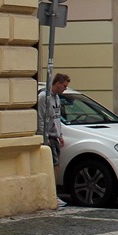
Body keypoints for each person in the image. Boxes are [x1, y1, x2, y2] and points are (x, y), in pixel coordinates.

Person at [37, 73, 70, 209]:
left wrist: (60, 134)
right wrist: (44, 136)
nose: (65, 89)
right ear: (57, 84)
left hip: (54, 136)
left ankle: (54, 193)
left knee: (56, 165)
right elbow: (41, 118)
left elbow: (57, 118)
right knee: (53, 165)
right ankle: (52, 194)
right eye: (64, 86)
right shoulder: (44, 97)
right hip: (48, 136)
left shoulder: (57, 98)